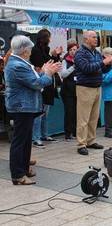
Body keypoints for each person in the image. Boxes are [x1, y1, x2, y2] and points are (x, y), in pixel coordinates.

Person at [5, 35, 61, 185]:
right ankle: (17, 174)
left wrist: (44, 71)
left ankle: (24, 167)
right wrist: (48, 73)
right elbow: (36, 83)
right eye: (29, 49)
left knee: (25, 140)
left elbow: (34, 79)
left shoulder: (21, 62)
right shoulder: (17, 65)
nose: (31, 51)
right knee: (20, 141)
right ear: (24, 50)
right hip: (21, 107)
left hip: (25, 107)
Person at [74, 30, 112, 156]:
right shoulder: (80, 53)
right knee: (83, 118)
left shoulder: (96, 52)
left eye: (96, 37)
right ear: (86, 39)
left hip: (97, 86)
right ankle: (81, 144)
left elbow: (101, 68)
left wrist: (109, 64)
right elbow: (87, 68)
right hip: (85, 87)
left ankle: (90, 140)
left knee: (93, 117)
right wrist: (103, 62)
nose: (96, 39)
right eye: (93, 37)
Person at [30, 29, 63, 148]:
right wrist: (51, 60)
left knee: (45, 112)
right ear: (45, 38)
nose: (50, 39)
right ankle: (36, 137)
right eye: (49, 37)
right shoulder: (35, 50)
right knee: (39, 113)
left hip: (48, 84)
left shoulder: (45, 50)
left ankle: (44, 134)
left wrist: (55, 55)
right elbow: (42, 66)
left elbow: (52, 64)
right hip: (41, 84)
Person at [60, 40, 78, 141]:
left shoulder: (79, 60)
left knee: (76, 112)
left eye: (75, 49)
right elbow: (63, 74)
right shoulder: (65, 61)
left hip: (77, 89)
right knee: (69, 112)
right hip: (67, 90)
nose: (73, 51)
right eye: (71, 50)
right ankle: (68, 133)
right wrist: (73, 67)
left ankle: (75, 132)